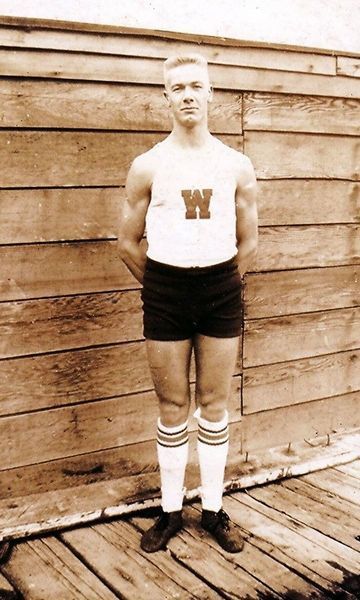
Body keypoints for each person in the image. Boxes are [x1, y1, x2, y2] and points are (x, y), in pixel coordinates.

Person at [118, 53, 258, 553]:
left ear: (211, 93)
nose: (188, 96)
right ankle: (171, 510)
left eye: (196, 85)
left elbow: (248, 242)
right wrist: (163, 286)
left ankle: (215, 509)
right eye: (177, 88)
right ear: (166, 98)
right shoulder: (148, 164)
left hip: (220, 291)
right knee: (173, 405)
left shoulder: (235, 164)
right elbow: (129, 243)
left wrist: (216, 284)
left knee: (214, 404)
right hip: (165, 294)